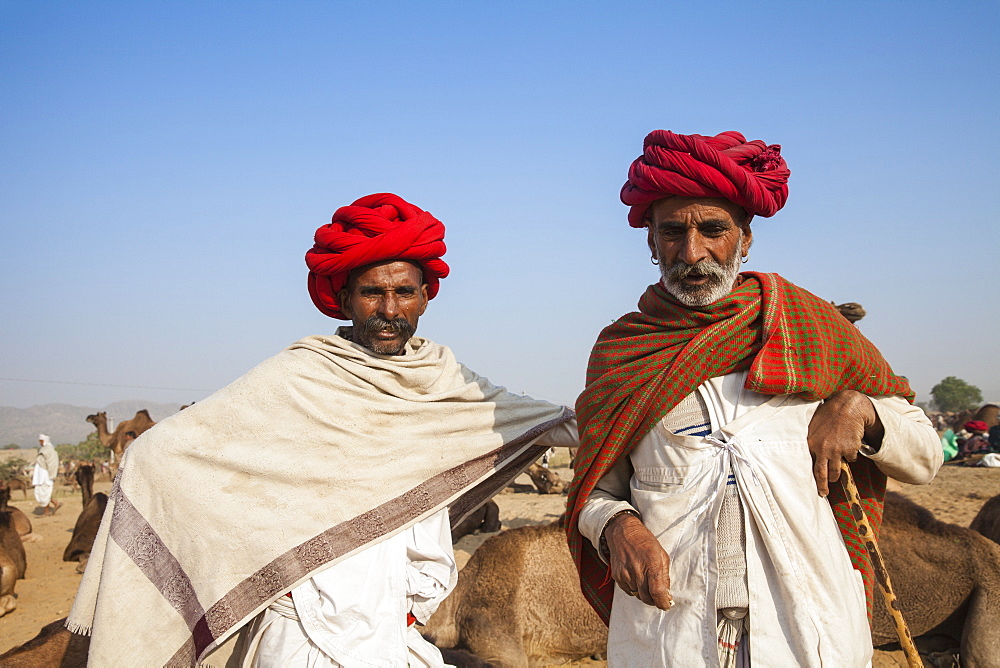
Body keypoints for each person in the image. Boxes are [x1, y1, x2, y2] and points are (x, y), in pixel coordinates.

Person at [68, 193, 577, 667]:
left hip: (390, 632)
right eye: (372, 293)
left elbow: (558, 425)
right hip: (300, 636)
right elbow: (157, 456)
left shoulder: (446, 382)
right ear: (345, 297)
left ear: (426, 296)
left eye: (404, 292)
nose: (389, 311)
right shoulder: (300, 378)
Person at [566, 130, 942, 666]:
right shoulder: (622, 353)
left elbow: (926, 454)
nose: (692, 252)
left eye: (713, 230)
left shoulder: (808, 324)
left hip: (809, 628)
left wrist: (862, 409)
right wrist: (616, 526)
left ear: (745, 239)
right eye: (672, 232)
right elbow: (594, 489)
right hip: (671, 634)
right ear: (650, 242)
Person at [32, 433, 61, 516]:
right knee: (42, 492)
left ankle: (47, 510)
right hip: (41, 474)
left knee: (45, 491)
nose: (40, 442)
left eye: (41, 441)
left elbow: (52, 463)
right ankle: (55, 503)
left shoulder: (48, 450)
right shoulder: (45, 449)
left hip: (45, 474)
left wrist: (51, 474)